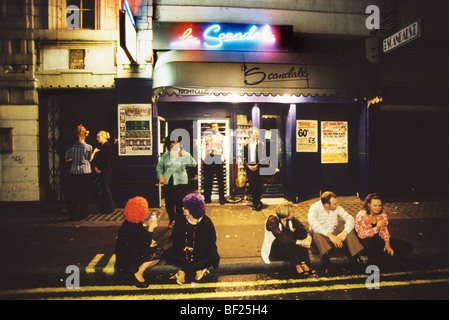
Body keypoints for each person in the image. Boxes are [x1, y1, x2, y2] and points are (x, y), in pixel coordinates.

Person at [164, 193, 220, 285]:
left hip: (201, 252)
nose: (183, 208)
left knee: (211, 256)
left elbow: (211, 240)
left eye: (185, 207)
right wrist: (184, 247)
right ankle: (199, 268)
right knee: (168, 254)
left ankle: (183, 271)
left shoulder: (206, 222)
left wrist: (196, 250)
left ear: (192, 210)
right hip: (184, 251)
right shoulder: (181, 219)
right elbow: (175, 237)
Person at [308, 191, 364, 274]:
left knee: (347, 228)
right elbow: (313, 223)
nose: (337, 205)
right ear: (326, 205)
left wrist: (344, 232)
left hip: (334, 233)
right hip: (322, 237)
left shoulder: (336, 207)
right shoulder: (314, 208)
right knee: (315, 232)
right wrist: (329, 235)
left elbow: (350, 218)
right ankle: (326, 261)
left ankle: (356, 258)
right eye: (334, 204)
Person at [115, 196, 163, 288]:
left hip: (125, 258)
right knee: (158, 253)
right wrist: (151, 229)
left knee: (156, 247)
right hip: (129, 262)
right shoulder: (133, 226)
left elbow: (140, 238)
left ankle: (136, 271)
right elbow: (142, 246)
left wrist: (150, 240)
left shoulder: (130, 222)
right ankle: (138, 273)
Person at [355, 193, 412, 270]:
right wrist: (376, 228)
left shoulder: (382, 214)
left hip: (379, 240)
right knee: (386, 260)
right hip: (366, 242)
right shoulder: (361, 215)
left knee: (407, 246)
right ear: (369, 204)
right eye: (375, 205)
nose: (378, 208)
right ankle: (384, 261)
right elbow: (361, 235)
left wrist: (387, 243)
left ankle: (385, 260)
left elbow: (385, 230)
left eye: (380, 205)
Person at [261, 201, 316, 277]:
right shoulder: (272, 221)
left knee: (301, 232)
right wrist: (300, 242)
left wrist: (308, 238)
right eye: (292, 212)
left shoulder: (290, 219)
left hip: (289, 247)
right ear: (285, 213)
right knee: (289, 240)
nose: (294, 213)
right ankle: (297, 264)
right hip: (276, 250)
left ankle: (303, 263)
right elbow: (281, 236)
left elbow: (303, 228)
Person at [156, 138, 197, 228]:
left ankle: (179, 221)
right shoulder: (166, 155)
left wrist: (186, 156)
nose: (175, 144)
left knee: (180, 203)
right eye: (173, 142)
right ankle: (172, 219)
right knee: (169, 203)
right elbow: (159, 167)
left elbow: (193, 164)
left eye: (177, 142)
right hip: (168, 182)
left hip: (181, 182)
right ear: (170, 145)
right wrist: (160, 175)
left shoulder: (184, 154)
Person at [65, 124, 93, 221]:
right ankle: (83, 214)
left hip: (74, 172)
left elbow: (67, 158)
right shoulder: (89, 147)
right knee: (84, 194)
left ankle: (73, 214)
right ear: (85, 134)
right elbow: (89, 159)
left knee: (74, 195)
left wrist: (74, 158)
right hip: (85, 172)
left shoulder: (71, 147)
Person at [91, 131, 115, 214]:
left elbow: (106, 159)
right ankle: (105, 206)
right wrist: (95, 167)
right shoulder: (99, 146)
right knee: (102, 188)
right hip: (101, 170)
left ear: (104, 137)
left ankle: (109, 206)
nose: (97, 138)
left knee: (105, 188)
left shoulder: (108, 147)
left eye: (99, 137)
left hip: (105, 170)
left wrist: (98, 167)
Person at [243, 127, 265, 211]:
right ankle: (255, 203)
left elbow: (263, 157)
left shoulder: (261, 144)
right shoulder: (245, 144)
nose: (256, 134)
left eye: (257, 133)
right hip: (250, 168)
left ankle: (258, 201)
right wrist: (248, 166)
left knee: (259, 185)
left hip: (258, 167)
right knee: (252, 185)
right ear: (250, 134)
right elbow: (243, 157)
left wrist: (257, 166)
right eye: (254, 133)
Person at [203, 123, 226, 205]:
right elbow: (203, 147)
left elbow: (225, 148)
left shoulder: (222, 137)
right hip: (208, 158)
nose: (214, 128)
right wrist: (204, 158)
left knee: (220, 180)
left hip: (217, 157)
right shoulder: (206, 137)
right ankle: (207, 198)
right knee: (207, 180)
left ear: (218, 127)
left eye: (216, 126)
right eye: (213, 127)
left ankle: (222, 199)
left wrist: (222, 158)